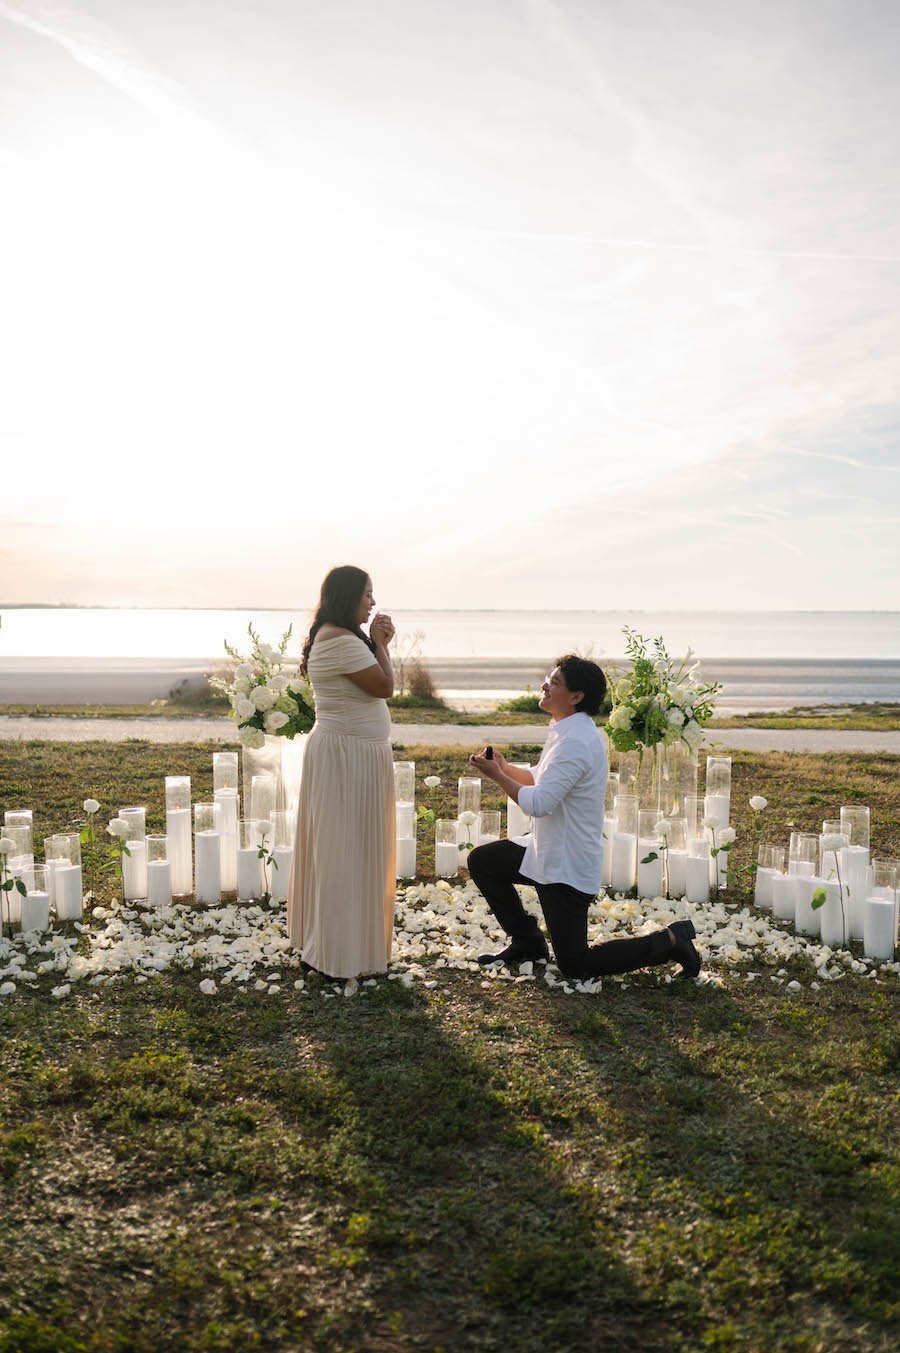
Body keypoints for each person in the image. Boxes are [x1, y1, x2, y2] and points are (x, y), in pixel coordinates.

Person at [467, 654, 701, 981]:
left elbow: (539, 804)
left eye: (556, 682)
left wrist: (496, 776)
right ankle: (528, 942)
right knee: (484, 862)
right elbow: (540, 778)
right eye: (549, 678)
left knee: (576, 966)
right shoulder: (568, 730)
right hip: (546, 851)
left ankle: (672, 941)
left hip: (566, 866)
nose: (545, 685)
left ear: (576, 697)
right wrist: (506, 768)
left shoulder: (576, 740)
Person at [287, 565, 396, 979]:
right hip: (348, 756)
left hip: (354, 752)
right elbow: (384, 687)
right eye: (367, 594)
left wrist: (374, 641)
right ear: (348, 596)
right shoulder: (339, 640)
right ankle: (336, 951)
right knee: (345, 851)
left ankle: (342, 943)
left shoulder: (338, 635)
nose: (373, 602)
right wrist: (382, 644)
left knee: (348, 847)